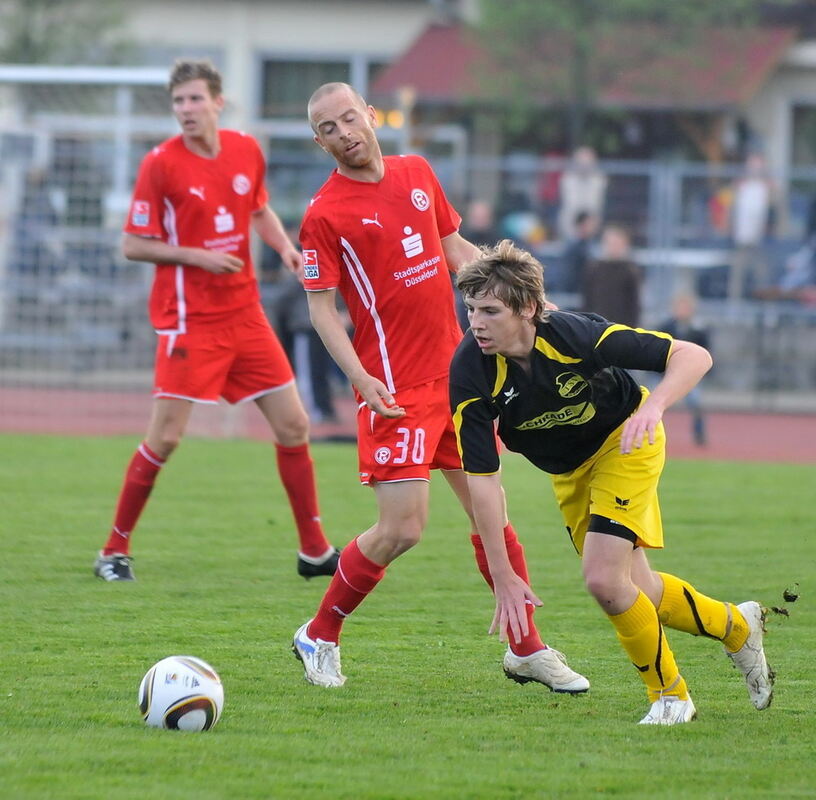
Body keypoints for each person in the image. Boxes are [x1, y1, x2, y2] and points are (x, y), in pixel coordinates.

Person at [291, 81, 587, 693]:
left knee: (491, 516)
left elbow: (456, 250)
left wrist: (530, 303)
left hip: (458, 380)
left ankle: (526, 648)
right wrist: (361, 377)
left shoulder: (418, 171)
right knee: (402, 529)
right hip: (394, 388)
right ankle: (319, 632)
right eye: (328, 128)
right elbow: (321, 310)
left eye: (350, 118)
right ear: (318, 141)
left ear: (370, 116)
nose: (344, 133)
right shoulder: (324, 213)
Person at [450, 239, 774, 725]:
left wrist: (655, 405)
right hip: (570, 474)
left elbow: (693, 355)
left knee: (603, 579)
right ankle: (736, 626)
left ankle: (671, 697)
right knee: (636, 588)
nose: (475, 322)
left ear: (529, 310)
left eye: (490, 310)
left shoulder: (572, 334)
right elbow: (483, 482)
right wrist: (502, 574)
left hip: (626, 441)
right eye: (471, 308)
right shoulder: (470, 370)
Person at [93, 59, 339, 582]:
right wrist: (195, 256)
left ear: (217, 102)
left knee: (294, 425)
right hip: (190, 321)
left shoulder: (246, 149)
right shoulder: (160, 164)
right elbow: (133, 244)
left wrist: (285, 248)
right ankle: (112, 551)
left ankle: (314, 551)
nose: (186, 109)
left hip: (245, 314)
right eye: (178, 101)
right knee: (165, 438)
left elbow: (257, 210)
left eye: (195, 99)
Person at [658, 292, 710, 445]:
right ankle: (649, 434)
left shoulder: (699, 328)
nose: (682, 311)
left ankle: (699, 435)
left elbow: (705, 352)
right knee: (651, 402)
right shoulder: (665, 327)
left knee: (696, 403)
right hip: (664, 374)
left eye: (686, 308)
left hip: (689, 376)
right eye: (680, 307)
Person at [729, 153, 775, 301]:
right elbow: (731, 208)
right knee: (737, 273)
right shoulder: (740, 185)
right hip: (741, 238)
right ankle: (734, 307)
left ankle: (765, 310)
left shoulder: (768, 187)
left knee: (762, 275)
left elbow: (775, 209)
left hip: (762, 241)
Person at [582, 224, 641, 328]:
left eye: (616, 243)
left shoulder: (629, 270)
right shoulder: (595, 268)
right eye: (610, 243)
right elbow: (587, 298)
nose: (613, 246)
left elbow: (633, 304)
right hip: (596, 325)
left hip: (621, 326)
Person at [556, 146, 607, 242]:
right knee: (565, 218)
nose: (584, 166)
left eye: (587, 163)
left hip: (592, 220)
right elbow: (571, 204)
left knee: (593, 220)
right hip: (571, 221)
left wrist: (587, 225)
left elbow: (594, 205)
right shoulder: (568, 179)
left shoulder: (599, 180)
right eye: (581, 163)